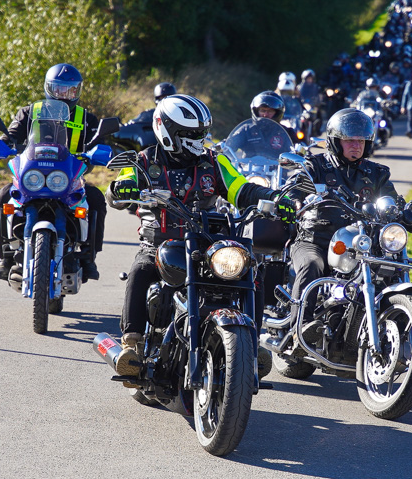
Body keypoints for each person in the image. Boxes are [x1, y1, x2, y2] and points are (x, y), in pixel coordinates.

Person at [106, 94, 296, 377]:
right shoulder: (144, 161)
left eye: (201, 134)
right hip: (159, 243)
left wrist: (271, 197)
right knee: (140, 270)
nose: (199, 140)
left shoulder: (213, 161)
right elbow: (120, 185)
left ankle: (251, 343)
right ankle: (131, 343)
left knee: (249, 270)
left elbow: (241, 189)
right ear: (168, 131)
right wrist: (120, 191)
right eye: (191, 134)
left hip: (204, 244)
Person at [284, 108, 412, 345]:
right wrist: (296, 201)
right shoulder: (315, 166)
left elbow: (394, 203)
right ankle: (299, 331)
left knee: (389, 268)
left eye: (361, 140)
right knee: (312, 266)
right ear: (335, 141)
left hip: (361, 243)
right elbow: (295, 188)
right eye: (349, 140)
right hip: (317, 240)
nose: (356, 145)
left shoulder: (376, 173)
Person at [0, 63, 107, 282]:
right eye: (59, 89)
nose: (64, 95)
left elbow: (98, 141)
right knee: (3, 196)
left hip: (69, 177)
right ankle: (5, 257)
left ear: (78, 91)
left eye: (70, 90)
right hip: (33, 173)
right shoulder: (29, 112)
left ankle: (89, 257)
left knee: (95, 198)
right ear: (48, 88)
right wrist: (4, 143)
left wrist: (97, 153)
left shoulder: (86, 118)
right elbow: (13, 133)